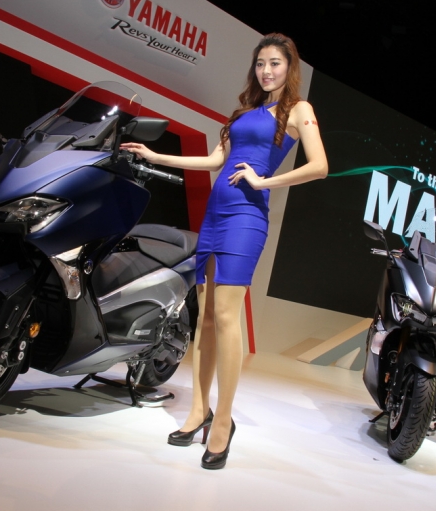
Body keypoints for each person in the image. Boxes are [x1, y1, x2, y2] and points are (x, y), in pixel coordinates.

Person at [121, 33, 328, 469]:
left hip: (247, 217)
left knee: (229, 317)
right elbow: (216, 161)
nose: (266, 70)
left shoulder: (298, 110)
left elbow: (319, 166)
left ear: (290, 68)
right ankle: (199, 410)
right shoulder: (245, 113)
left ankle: (223, 421)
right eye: (260, 63)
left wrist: (264, 181)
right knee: (207, 319)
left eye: (275, 63)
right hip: (215, 214)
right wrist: (156, 157)